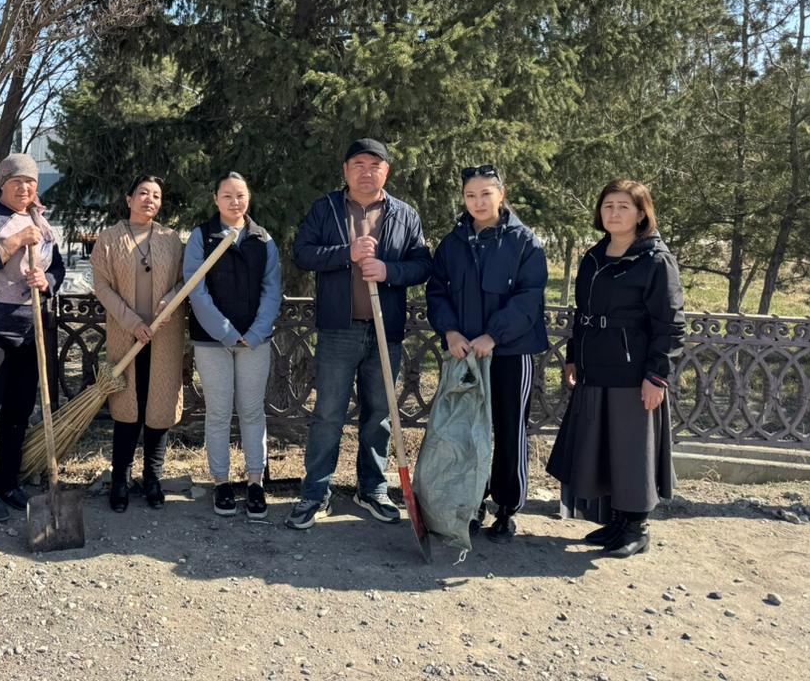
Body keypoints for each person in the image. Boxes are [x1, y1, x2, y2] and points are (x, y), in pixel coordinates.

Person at [286, 138, 432, 530]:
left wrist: (389, 271)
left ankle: (372, 489)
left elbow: (422, 265)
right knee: (328, 415)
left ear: (387, 171)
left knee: (379, 415)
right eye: (358, 165)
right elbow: (303, 252)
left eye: (374, 165)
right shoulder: (326, 208)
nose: (366, 172)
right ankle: (315, 492)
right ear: (346, 171)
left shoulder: (405, 215)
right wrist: (346, 253)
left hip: (386, 330)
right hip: (338, 329)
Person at [547, 179, 684, 558]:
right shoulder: (594, 257)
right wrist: (574, 356)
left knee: (632, 449)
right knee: (606, 446)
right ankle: (618, 523)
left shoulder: (656, 261)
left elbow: (671, 324)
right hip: (596, 367)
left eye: (624, 206)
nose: (614, 213)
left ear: (641, 214)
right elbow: (583, 313)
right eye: (608, 205)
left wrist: (657, 375)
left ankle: (637, 528)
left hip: (633, 372)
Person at [424, 164, 549, 544]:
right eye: (470, 195)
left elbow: (529, 299)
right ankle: (471, 502)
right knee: (466, 429)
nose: (478, 202)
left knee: (510, 431)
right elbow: (437, 290)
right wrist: (450, 330)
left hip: (510, 352)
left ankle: (507, 509)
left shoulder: (525, 242)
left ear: (501, 194)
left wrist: (494, 336)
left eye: (485, 194)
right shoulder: (453, 243)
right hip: (465, 354)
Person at [0, 153, 65, 523]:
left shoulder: (40, 220)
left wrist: (46, 281)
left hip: (29, 329)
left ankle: (7, 481)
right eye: (16, 180)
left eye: (30, 181)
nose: (24, 187)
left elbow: (58, 267)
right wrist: (16, 241)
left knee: (19, 411)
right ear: (2, 183)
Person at [185, 172, 283, 520]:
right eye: (227, 195)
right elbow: (196, 289)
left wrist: (256, 332)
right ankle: (221, 482)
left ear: (248, 198)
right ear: (216, 199)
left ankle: (255, 482)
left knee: (253, 411)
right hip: (212, 340)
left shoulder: (262, 239)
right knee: (218, 412)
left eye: (240, 195)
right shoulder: (201, 236)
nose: (234, 201)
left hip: (255, 340)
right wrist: (226, 331)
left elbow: (272, 289)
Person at [91, 175, 186, 511]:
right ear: (129, 199)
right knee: (127, 408)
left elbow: (184, 281)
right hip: (125, 334)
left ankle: (153, 478)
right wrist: (132, 322)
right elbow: (102, 286)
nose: (150, 199)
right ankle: (120, 479)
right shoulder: (109, 239)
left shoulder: (171, 240)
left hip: (164, 337)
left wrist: (169, 303)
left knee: (158, 408)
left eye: (156, 195)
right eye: (143, 193)